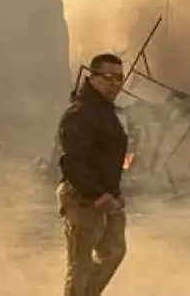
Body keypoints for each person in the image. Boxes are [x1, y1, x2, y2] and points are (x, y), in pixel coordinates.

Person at [57, 52, 130, 296]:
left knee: (114, 251)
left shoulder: (105, 111)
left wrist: (114, 192)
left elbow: (106, 158)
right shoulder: (80, 113)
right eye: (110, 78)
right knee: (80, 264)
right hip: (82, 197)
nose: (116, 84)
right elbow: (72, 163)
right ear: (93, 77)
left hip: (107, 196)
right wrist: (97, 193)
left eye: (120, 78)